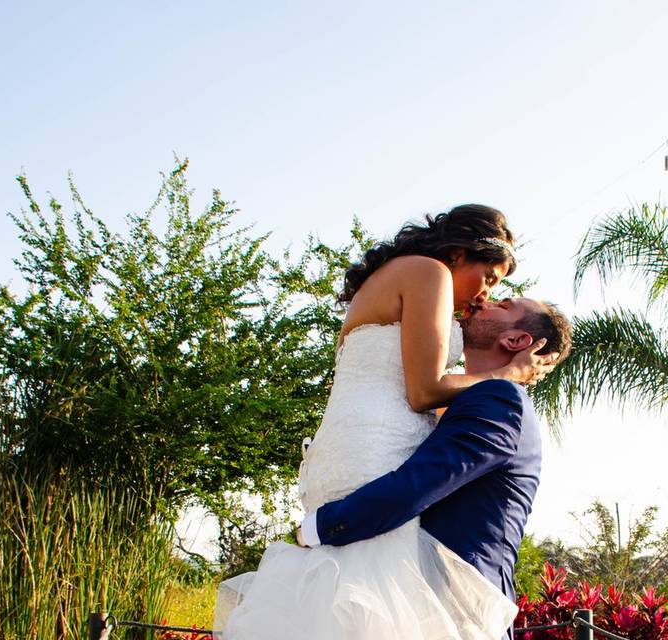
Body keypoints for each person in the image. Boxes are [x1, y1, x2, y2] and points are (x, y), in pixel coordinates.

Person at [215, 204, 558, 640]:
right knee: (373, 604)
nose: (483, 295)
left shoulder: (392, 281)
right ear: (459, 254)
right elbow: (424, 391)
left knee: (337, 597)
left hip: (344, 448)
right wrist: (509, 375)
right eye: (488, 278)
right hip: (377, 448)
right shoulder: (429, 273)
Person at [296, 297, 572, 640]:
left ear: (515, 340)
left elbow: (417, 485)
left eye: (503, 305)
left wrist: (318, 528)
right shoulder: (467, 399)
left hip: (458, 614)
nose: (483, 301)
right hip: (419, 605)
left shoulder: (501, 400)